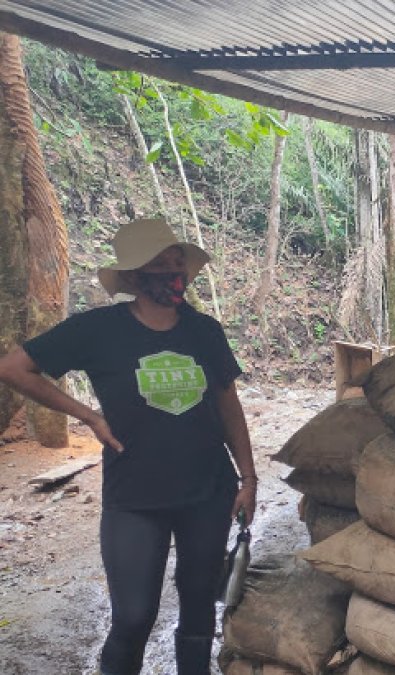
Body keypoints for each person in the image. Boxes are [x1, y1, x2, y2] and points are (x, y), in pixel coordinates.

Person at [0, 218, 256, 675]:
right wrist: (88, 417)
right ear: (136, 277)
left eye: (179, 263)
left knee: (199, 610)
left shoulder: (204, 331)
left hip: (209, 491)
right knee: (133, 617)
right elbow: (15, 368)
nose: (175, 274)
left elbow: (227, 404)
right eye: (163, 266)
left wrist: (249, 477)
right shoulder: (98, 330)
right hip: (135, 497)